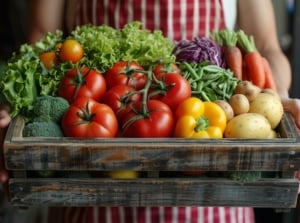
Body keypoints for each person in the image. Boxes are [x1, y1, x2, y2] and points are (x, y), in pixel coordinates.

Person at [0, 0, 300, 222]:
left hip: (211, 193)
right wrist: (17, 106)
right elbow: (42, 38)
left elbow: (265, 45)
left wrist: (278, 103)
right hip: (93, 184)